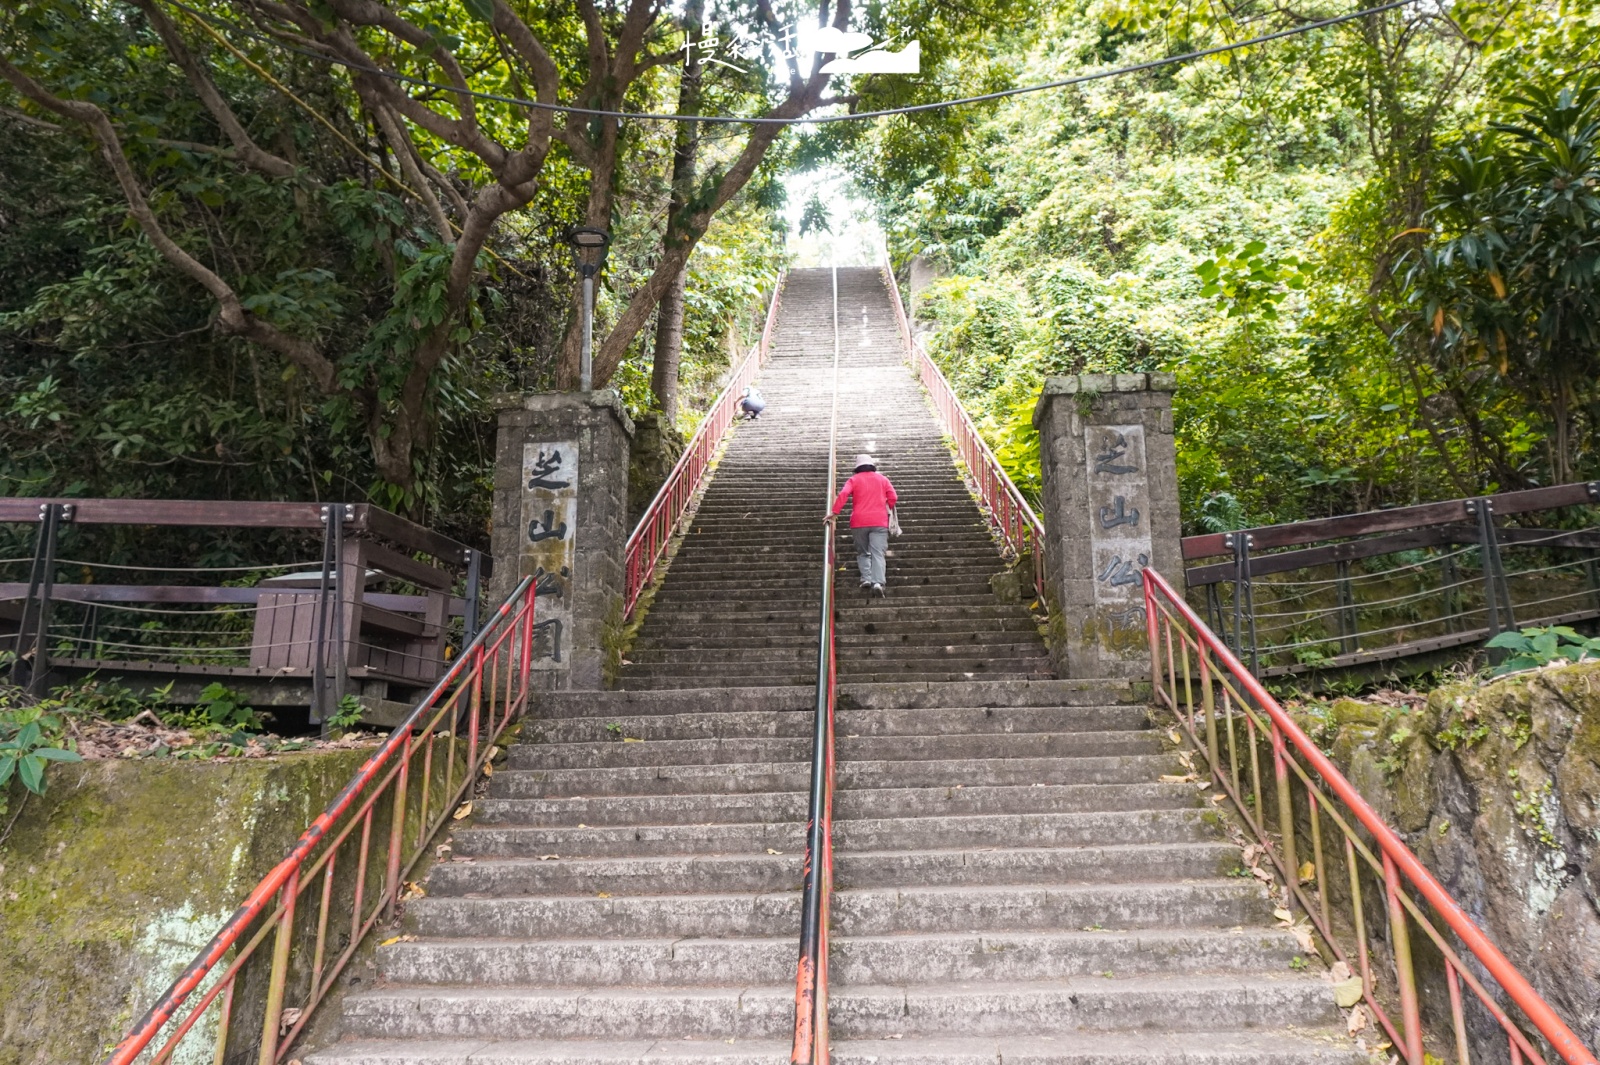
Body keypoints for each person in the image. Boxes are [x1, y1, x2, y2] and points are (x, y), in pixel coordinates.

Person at [826, 454, 897, 596]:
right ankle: (877, 582)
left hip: (858, 522)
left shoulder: (853, 480)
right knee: (878, 553)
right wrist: (886, 507)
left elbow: (843, 494)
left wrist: (834, 512)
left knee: (863, 552)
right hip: (879, 521)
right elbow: (893, 497)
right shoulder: (882, 479)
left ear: (857, 467)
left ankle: (866, 578)